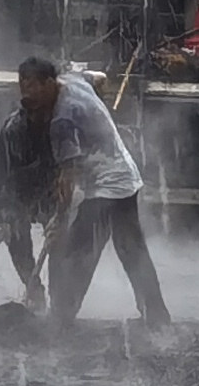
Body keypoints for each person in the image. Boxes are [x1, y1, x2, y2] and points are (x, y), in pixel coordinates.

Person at [21, 57, 168, 329]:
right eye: (23, 86)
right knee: (132, 251)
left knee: (79, 253)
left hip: (105, 187)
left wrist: (59, 220)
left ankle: (60, 320)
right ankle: (157, 318)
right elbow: (100, 77)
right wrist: (96, 114)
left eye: (33, 87)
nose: (28, 94)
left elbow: (68, 176)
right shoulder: (75, 81)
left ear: (50, 82)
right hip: (126, 177)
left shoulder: (61, 121)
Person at [0, 83, 66, 309]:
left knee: (59, 240)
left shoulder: (62, 126)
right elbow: (0, 176)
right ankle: (34, 290)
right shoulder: (14, 131)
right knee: (16, 239)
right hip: (17, 190)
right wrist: (1, 218)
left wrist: (60, 214)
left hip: (52, 188)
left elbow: (72, 169)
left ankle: (60, 302)